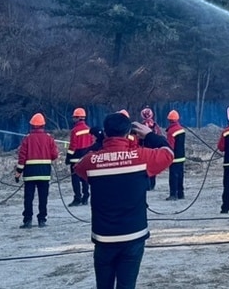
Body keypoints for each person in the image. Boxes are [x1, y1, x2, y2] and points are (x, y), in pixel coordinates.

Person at [73, 110, 175, 289]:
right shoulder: (141, 157)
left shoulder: (91, 161)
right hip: (133, 235)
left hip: (104, 237)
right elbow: (168, 153)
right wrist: (150, 135)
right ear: (128, 133)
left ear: (105, 132)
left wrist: (100, 144)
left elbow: (78, 165)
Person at [16, 112, 59, 228]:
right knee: (43, 197)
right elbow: (54, 155)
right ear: (43, 125)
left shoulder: (27, 139)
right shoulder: (49, 138)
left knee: (28, 198)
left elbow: (22, 156)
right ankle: (42, 220)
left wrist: (18, 172)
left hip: (29, 173)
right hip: (44, 173)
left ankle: (27, 220)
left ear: (31, 125)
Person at [69, 108, 95, 206]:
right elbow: (91, 143)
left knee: (75, 178)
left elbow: (72, 146)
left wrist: (68, 156)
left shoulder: (74, 130)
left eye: (74, 117)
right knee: (84, 177)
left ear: (78, 118)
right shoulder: (89, 129)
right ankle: (86, 196)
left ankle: (77, 198)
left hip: (75, 158)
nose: (73, 119)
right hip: (85, 157)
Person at [165, 111, 187, 199]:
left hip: (174, 157)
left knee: (173, 176)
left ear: (169, 120)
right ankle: (181, 194)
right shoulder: (181, 129)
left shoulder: (171, 131)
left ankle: (173, 194)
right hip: (181, 156)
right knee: (180, 175)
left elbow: (171, 145)